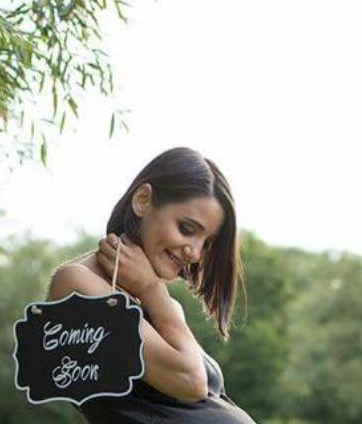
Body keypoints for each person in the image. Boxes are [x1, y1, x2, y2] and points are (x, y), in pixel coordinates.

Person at [46, 147, 257, 423]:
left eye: (207, 243)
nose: (195, 253)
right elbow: (190, 381)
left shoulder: (163, 307)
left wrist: (153, 293)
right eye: (187, 228)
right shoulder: (76, 285)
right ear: (142, 200)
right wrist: (152, 290)